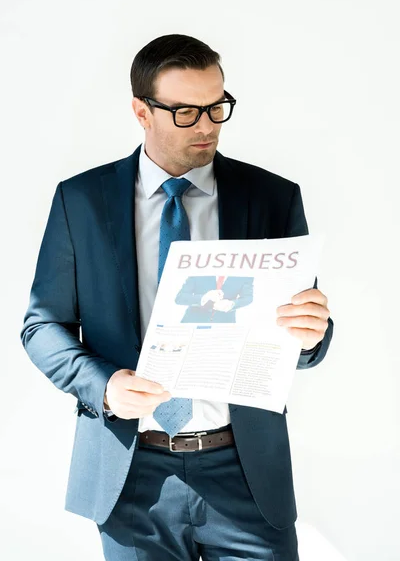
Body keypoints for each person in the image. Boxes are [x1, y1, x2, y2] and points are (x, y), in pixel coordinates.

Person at [21, 33, 334, 561]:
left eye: (217, 106)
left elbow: (305, 337)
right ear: (141, 111)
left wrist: (312, 333)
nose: (208, 125)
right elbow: (41, 326)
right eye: (187, 112)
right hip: (131, 473)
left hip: (246, 472)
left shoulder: (273, 198)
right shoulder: (81, 201)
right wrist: (104, 385)